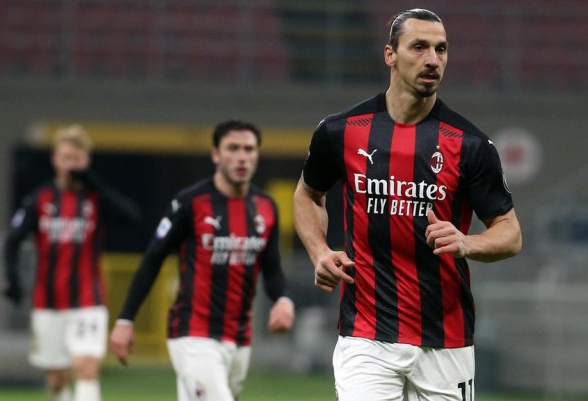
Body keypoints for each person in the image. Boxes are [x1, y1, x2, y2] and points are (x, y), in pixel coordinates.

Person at [293, 8, 522, 401]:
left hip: (445, 339)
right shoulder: (341, 131)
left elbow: (510, 233)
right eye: (419, 47)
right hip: (366, 334)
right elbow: (308, 195)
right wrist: (319, 251)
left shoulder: (470, 145)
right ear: (390, 55)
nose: (432, 59)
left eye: (441, 49)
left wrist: (466, 242)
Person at [110, 120, 295, 401]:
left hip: (239, 337)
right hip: (193, 333)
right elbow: (153, 259)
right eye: (233, 148)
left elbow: (271, 268)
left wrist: (283, 299)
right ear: (215, 155)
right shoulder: (190, 202)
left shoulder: (266, 207)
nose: (242, 157)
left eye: (249, 149)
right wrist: (126, 319)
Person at [3, 124, 141, 401]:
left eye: (76, 159)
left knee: (86, 367)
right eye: (66, 158)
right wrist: (12, 278)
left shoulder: (96, 198)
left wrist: (96, 184)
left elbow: (133, 217)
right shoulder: (40, 198)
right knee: (57, 379)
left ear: (86, 161)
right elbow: (12, 240)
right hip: (48, 301)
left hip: (88, 300)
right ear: (55, 159)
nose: (70, 165)